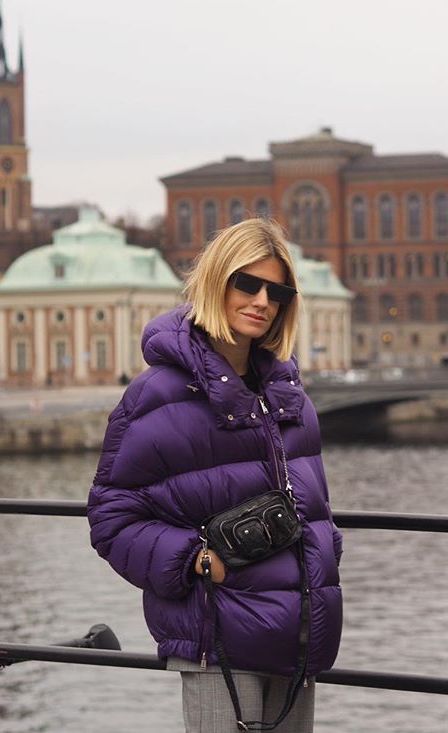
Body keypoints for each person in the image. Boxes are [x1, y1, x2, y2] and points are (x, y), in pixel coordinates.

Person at [87, 218, 343, 732]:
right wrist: (195, 561)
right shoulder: (156, 395)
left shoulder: (291, 396)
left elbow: (315, 504)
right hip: (219, 636)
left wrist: (325, 549)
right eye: (247, 284)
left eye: (278, 291)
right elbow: (112, 516)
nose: (262, 301)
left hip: (297, 637)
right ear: (215, 282)